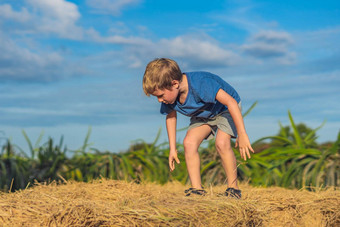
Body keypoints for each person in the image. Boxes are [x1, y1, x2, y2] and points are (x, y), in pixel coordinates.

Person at [142, 58, 254, 199]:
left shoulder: (202, 83)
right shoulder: (170, 96)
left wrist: (242, 134)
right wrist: (172, 149)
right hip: (203, 114)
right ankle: (197, 190)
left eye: (160, 95)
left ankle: (233, 188)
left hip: (226, 109)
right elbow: (171, 117)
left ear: (174, 84)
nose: (159, 100)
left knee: (221, 143)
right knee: (189, 143)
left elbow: (231, 102)